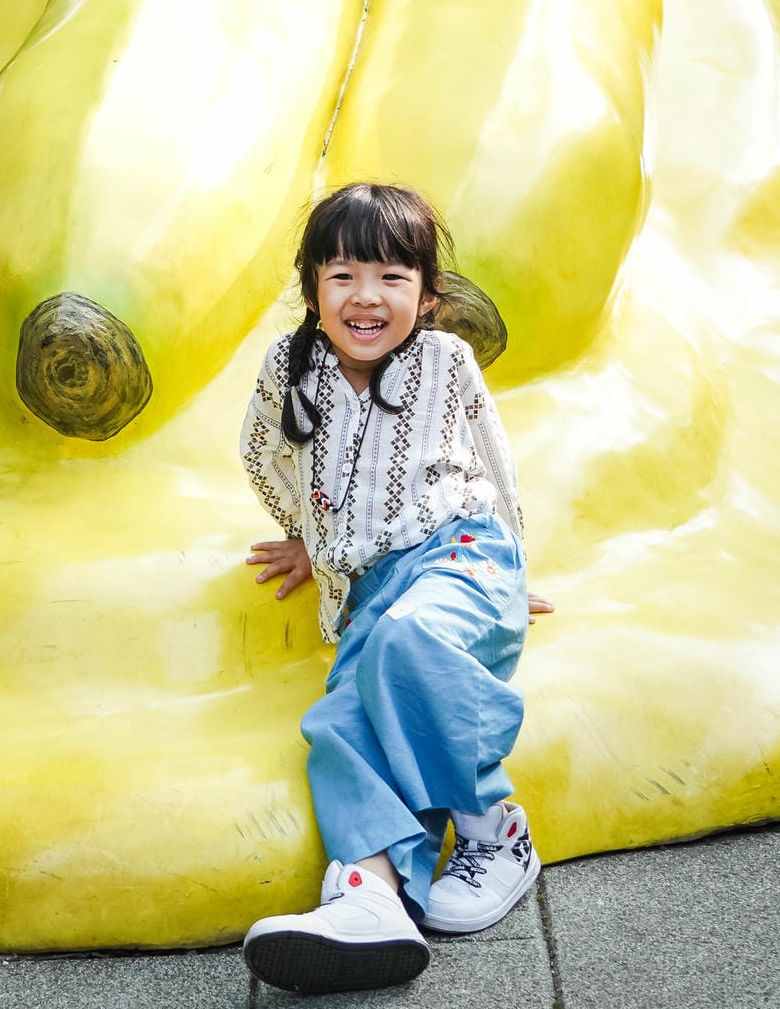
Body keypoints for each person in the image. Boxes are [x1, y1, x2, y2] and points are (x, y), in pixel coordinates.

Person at [238, 181, 552, 994]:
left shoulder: (444, 360)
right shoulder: (290, 368)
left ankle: (495, 831)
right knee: (341, 721)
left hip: (461, 553)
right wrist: (310, 538)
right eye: (341, 276)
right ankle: (368, 894)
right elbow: (260, 454)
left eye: (391, 277)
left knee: (413, 639)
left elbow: (494, 457)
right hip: (369, 587)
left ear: (427, 292)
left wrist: (517, 568)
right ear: (311, 286)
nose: (366, 297)